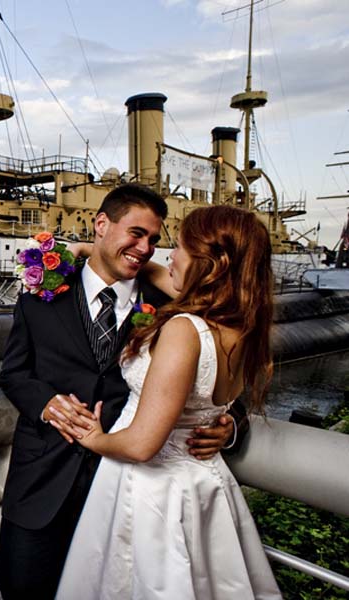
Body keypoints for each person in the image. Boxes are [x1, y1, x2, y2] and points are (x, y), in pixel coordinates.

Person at [0, 184, 240, 599]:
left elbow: (216, 376)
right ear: (102, 224)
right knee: (22, 587)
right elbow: (14, 372)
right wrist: (47, 403)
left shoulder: (171, 305)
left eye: (155, 240)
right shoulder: (41, 291)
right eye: (136, 233)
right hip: (42, 480)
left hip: (127, 489)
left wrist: (232, 426)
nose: (146, 248)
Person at [53, 205, 280, 598]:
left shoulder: (183, 329)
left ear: (211, 264)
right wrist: (90, 249)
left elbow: (142, 445)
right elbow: (161, 275)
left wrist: (93, 437)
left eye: (180, 247)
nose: (167, 256)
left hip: (151, 492)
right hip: (203, 484)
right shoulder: (242, 322)